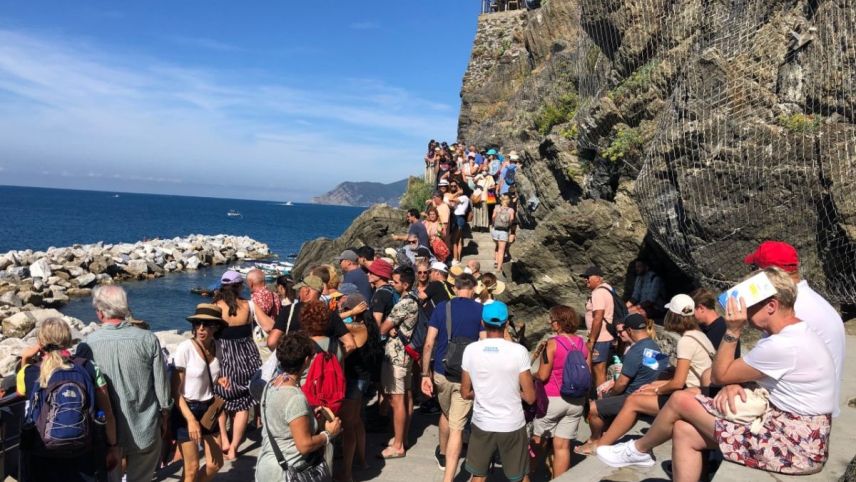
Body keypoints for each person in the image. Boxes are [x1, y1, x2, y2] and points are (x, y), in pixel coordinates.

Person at [596, 268, 836, 479]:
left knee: (681, 400)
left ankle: (638, 449)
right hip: (798, 436)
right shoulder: (795, 334)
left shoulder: (783, 344)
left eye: (749, 306)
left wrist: (733, 331)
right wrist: (733, 382)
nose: (745, 314)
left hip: (793, 446)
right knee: (683, 430)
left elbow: (717, 376)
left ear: (771, 306)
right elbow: (724, 375)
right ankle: (640, 452)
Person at [589, 295, 714, 451]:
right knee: (638, 395)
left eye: (621, 331)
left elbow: (677, 382)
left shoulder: (684, 342)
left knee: (627, 402)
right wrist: (653, 385)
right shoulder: (697, 336)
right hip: (701, 392)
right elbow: (664, 371)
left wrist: (655, 389)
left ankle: (600, 443)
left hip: (692, 397)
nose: (619, 334)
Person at [76, 285, 171, 482]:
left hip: (105, 433)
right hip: (144, 426)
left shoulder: (86, 345)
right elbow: (162, 389)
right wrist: (165, 416)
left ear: (101, 313)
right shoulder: (148, 339)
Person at [743, 240, 845, 417]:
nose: (751, 274)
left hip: (801, 410)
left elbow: (728, 373)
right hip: (816, 401)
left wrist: (733, 328)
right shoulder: (810, 300)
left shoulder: (792, 308)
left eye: (754, 268)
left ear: (769, 274)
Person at [18, 318, 119, 482]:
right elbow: (107, 412)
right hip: (84, 451)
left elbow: (21, 391)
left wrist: (25, 360)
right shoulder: (88, 367)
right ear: (69, 340)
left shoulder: (30, 372)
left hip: (42, 453)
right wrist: (113, 446)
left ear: (41, 342)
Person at [460, 301, 535, 482]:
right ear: (506, 324)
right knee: (520, 476)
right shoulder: (519, 351)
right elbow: (531, 397)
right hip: (512, 423)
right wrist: (512, 392)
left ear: (483, 323)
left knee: (478, 475)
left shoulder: (471, 350)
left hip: (482, 423)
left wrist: (483, 392)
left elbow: (465, 392)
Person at [420, 274, 484, 482]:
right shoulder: (481, 310)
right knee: (457, 425)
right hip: (467, 376)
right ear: (473, 289)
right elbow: (483, 345)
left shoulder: (442, 308)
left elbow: (429, 343)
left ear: (455, 289)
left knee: (448, 415)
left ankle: (444, 455)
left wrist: (424, 374)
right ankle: (448, 478)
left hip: (441, 371)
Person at [256, 332, 343, 482]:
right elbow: (304, 445)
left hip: (266, 468)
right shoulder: (295, 397)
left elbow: (280, 419)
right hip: (287, 473)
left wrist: (307, 413)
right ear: (306, 360)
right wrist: (328, 434)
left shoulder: (271, 385)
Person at [579, 313, 667, 455]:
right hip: (649, 393)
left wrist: (610, 394)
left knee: (593, 407)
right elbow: (650, 370)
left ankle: (595, 440)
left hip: (633, 395)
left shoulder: (635, 350)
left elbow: (622, 383)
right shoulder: (653, 346)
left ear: (630, 331)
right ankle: (606, 432)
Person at [171, 304, 230, 482]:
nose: (201, 328)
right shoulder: (185, 348)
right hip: (186, 409)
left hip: (208, 409)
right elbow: (175, 391)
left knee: (215, 463)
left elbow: (207, 372)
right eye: (198, 324)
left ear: (216, 327)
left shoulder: (217, 347)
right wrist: (190, 419)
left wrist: (218, 379)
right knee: (191, 468)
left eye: (207, 324)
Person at [531, 305, 589, 477]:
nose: (550, 323)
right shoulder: (582, 343)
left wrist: (530, 376)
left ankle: (526, 475)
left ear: (558, 324)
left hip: (552, 400)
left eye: (551, 320)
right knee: (562, 447)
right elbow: (588, 372)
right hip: (576, 401)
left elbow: (542, 375)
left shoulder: (552, 344)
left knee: (537, 442)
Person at [210, 270, 263, 460]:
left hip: (223, 357)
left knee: (220, 399)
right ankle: (234, 447)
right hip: (247, 359)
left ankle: (224, 439)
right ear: (240, 286)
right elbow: (269, 325)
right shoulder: (249, 305)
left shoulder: (215, 306)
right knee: (243, 404)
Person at [336, 294, 381, 481]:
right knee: (356, 422)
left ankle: (347, 472)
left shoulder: (355, 327)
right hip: (363, 379)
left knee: (348, 426)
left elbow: (329, 322)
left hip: (353, 379)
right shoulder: (368, 326)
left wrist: (348, 312)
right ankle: (362, 461)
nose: (344, 312)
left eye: (346, 308)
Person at [379, 267, 420, 459]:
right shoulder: (415, 300)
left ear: (405, 284)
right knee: (405, 397)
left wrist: (388, 329)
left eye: (395, 282)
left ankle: (398, 446)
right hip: (406, 355)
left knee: (397, 401)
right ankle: (401, 438)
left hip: (397, 355)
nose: (392, 284)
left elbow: (383, 327)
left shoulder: (403, 304)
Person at [266, 275, 357, 355]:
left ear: (306, 291)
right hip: (322, 371)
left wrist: (287, 359)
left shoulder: (289, 311)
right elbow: (351, 344)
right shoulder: (330, 314)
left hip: (296, 369)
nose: (299, 293)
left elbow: (271, 342)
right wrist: (332, 361)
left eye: (300, 289)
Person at [581, 265, 617, 388]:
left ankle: (600, 401)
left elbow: (598, 318)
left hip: (600, 337)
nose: (586, 280)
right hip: (607, 335)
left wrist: (591, 340)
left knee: (598, 370)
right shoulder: (608, 290)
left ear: (598, 278)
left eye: (588, 277)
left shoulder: (598, 293)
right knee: (602, 368)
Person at [692, 288, 740, 356]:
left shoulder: (721, 330)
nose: (691, 316)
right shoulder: (709, 327)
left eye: (692, 312)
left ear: (701, 308)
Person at [492, 194, 515, 270]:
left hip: (495, 230)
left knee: (497, 246)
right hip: (504, 231)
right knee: (501, 250)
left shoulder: (497, 208)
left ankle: (496, 261)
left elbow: (493, 217)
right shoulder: (511, 210)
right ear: (508, 201)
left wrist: (494, 223)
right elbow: (511, 219)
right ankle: (499, 268)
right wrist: (508, 225)